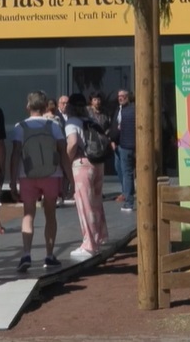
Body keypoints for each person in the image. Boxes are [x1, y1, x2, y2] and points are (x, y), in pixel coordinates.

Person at [10, 90, 69, 271]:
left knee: (28, 215)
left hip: (27, 175)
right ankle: (49, 255)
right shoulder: (54, 126)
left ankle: (26, 253)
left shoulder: (20, 127)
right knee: (50, 215)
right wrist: (70, 178)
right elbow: (63, 153)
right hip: (52, 174)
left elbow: (15, 155)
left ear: (28, 106)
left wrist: (12, 180)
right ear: (45, 107)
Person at [66, 93, 109, 260]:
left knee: (85, 205)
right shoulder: (92, 121)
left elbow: (72, 143)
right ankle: (99, 238)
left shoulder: (72, 122)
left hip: (82, 163)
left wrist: (66, 162)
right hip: (98, 163)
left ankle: (89, 244)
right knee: (96, 203)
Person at [110, 89, 136, 210]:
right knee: (120, 169)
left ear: (128, 97)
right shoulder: (119, 110)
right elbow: (115, 126)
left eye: (123, 96)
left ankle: (129, 201)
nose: (120, 98)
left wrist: (112, 138)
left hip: (126, 145)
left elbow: (118, 129)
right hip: (120, 144)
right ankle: (127, 193)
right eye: (119, 96)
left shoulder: (128, 111)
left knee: (127, 173)